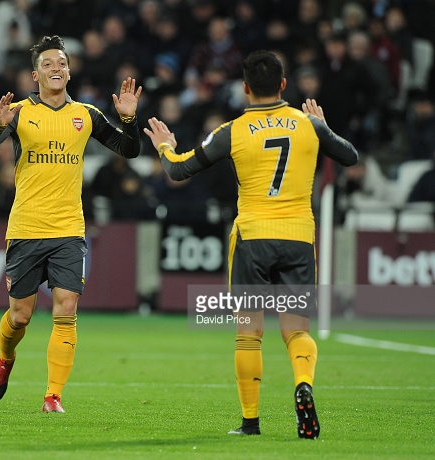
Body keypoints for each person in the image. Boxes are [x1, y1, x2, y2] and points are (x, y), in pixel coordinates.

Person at [144, 50, 358, 438]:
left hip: (253, 237)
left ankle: (250, 423)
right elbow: (349, 155)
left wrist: (164, 146)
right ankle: (303, 383)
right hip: (298, 237)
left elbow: (178, 169)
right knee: (296, 329)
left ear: (244, 88)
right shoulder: (308, 124)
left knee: (248, 332)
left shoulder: (233, 130)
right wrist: (323, 128)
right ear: (283, 85)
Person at [0, 35, 142, 413]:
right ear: (35, 75)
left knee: (66, 309)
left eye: (62, 63)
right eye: (48, 64)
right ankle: (4, 358)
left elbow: (129, 150)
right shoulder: (19, 113)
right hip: (27, 227)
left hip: (68, 229)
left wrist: (129, 119)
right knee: (20, 316)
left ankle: (53, 396)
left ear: (69, 70)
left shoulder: (88, 115)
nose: (56, 69)